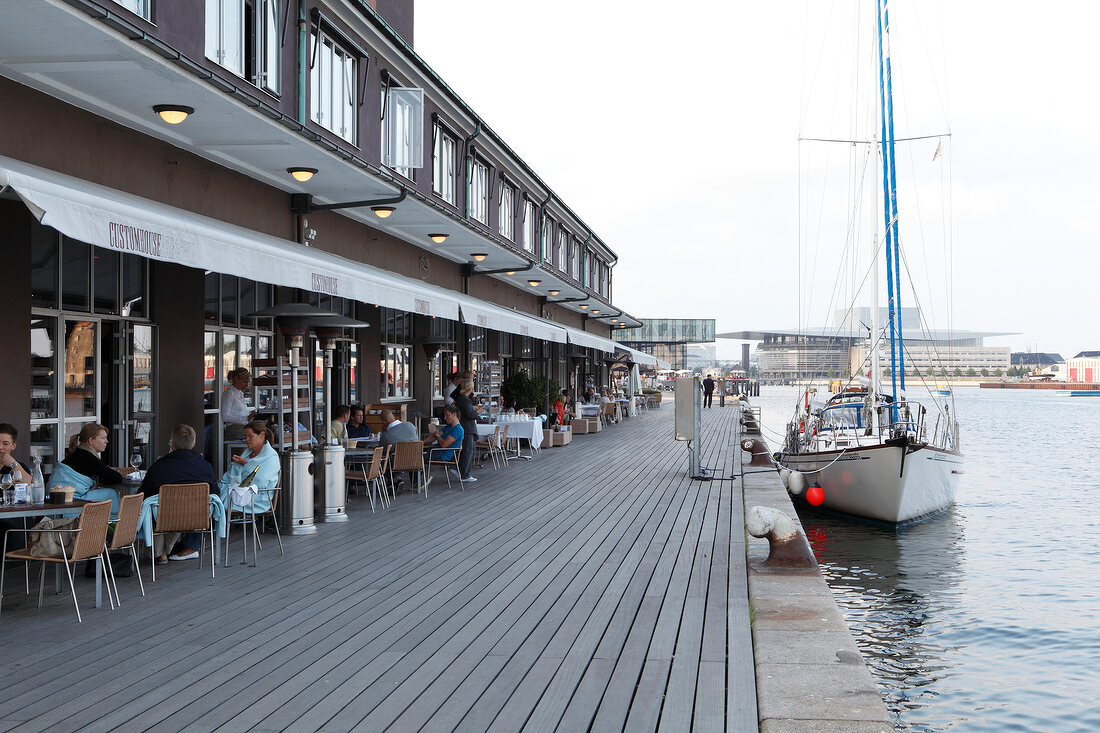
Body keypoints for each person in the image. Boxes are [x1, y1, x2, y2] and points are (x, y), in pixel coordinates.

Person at [170, 420, 279, 562]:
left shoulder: (271, 457)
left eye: (250, 436)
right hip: (234, 492)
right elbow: (230, 475)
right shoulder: (247, 453)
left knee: (209, 504)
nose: (246, 440)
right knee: (203, 498)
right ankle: (187, 542)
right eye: (245, 436)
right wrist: (225, 484)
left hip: (256, 499)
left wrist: (244, 465)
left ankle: (191, 546)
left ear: (262, 435)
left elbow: (260, 482)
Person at [139, 424, 219, 564]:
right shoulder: (205, 467)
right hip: (197, 518)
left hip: (166, 518)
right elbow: (215, 493)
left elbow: (144, 494)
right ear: (193, 443)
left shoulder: (159, 467)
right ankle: (171, 549)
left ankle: (159, 553)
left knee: (150, 508)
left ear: (172, 444)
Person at [48, 423, 125, 511]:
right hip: (71, 500)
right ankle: (116, 522)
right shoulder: (89, 457)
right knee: (111, 494)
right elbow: (117, 477)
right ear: (91, 440)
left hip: (55, 498)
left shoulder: (78, 453)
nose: (106, 441)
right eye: (103, 438)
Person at [0, 423, 32, 550]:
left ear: (13, 446)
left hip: (10, 517)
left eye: (5, 443)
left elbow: (31, 485)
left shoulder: (18, 467)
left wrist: (14, 464)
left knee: (14, 534)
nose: (0, 447)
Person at [451, 379, 479, 483]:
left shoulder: (460, 398)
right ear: (469, 388)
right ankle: (465, 474)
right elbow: (470, 414)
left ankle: (457, 468)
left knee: (466, 450)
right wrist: (477, 412)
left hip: (464, 426)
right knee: (468, 450)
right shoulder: (465, 400)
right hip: (467, 427)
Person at [221, 367, 255, 440]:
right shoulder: (229, 393)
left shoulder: (240, 393)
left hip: (244, 429)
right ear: (236, 379)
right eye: (244, 382)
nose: (246, 386)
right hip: (234, 430)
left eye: (248, 383)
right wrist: (246, 418)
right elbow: (225, 416)